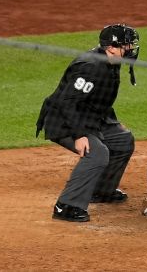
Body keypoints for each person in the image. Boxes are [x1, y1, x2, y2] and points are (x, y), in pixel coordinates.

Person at [35, 23, 140, 223]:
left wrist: (113, 123)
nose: (130, 49)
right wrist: (79, 135)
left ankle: (101, 190)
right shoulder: (90, 68)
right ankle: (67, 206)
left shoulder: (111, 61)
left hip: (89, 118)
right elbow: (67, 102)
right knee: (97, 153)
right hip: (64, 121)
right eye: (126, 45)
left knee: (123, 140)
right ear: (111, 47)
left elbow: (99, 99)